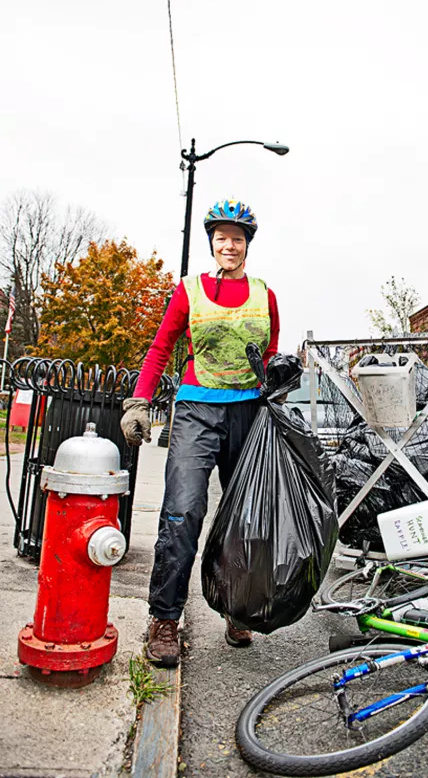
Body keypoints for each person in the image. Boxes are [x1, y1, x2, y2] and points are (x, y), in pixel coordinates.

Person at [120, 199, 279, 666]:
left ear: (248, 244)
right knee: (182, 511)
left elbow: (268, 358)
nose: (229, 245)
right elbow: (160, 346)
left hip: (247, 412)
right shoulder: (188, 291)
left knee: (245, 518)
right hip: (195, 410)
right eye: (221, 237)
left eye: (238, 238)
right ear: (212, 242)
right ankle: (165, 618)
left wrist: (276, 400)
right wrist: (139, 400)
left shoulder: (265, 294)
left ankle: (236, 609)